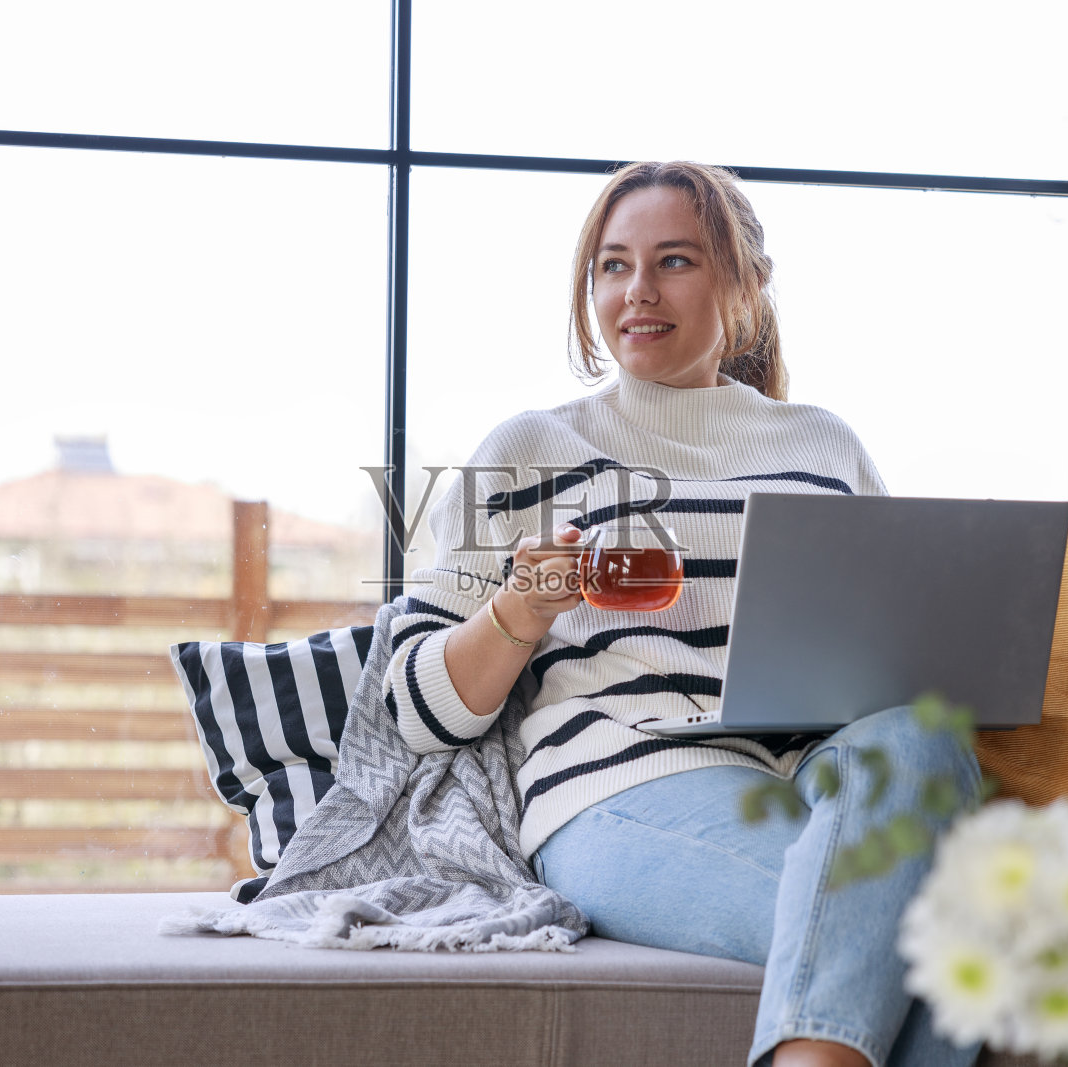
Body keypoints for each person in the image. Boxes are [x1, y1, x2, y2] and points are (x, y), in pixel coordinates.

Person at [382, 161, 982, 1067]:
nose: (638, 292)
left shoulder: (822, 445)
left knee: (921, 735)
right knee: (943, 938)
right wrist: (520, 607)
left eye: (674, 261)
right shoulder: (530, 448)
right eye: (612, 266)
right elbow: (413, 709)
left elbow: (900, 645)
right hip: (621, 782)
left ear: (741, 285)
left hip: (815, 775)